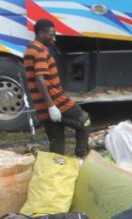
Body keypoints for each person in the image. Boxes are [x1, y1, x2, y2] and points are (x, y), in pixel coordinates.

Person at [23, 18, 91, 158]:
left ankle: (58, 167)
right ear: (41, 33)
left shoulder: (30, 49)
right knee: (85, 120)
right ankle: (80, 157)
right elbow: (40, 79)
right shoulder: (39, 50)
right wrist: (51, 106)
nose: (53, 39)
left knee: (57, 144)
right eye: (51, 35)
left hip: (41, 104)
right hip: (55, 100)